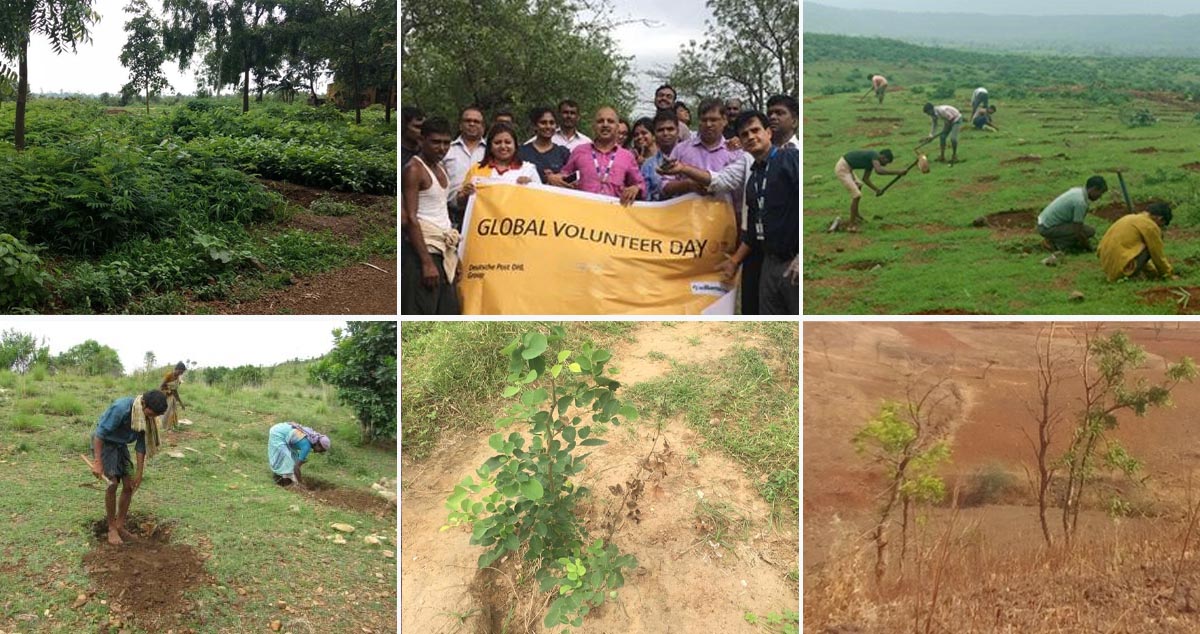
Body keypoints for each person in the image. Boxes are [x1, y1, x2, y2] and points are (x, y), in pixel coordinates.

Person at [660, 111, 799, 315]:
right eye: (745, 134)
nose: (751, 137)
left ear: (768, 133)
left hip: (792, 261)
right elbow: (752, 227)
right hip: (768, 262)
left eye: (756, 131)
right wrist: (734, 261)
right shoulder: (752, 178)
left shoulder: (790, 159)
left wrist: (800, 256)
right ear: (740, 142)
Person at [90, 390, 169, 545]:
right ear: (144, 404)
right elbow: (99, 434)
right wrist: (98, 462)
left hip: (120, 446)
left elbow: (140, 447)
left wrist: (139, 473)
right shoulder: (121, 408)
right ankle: (111, 528)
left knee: (129, 485)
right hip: (105, 444)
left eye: (155, 416)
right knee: (112, 484)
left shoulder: (145, 417)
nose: (152, 418)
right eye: (151, 414)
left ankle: (120, 525)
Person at [402, 117, 460, 314]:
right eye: (435, 142)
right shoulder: (414, 169)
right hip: (423, 250)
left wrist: (454, 254)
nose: (441, 148)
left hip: (444, 249)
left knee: (449, 310)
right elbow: (410, 217)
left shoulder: (441, 168)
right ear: (423, 139)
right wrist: (426, 262)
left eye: (446, 143)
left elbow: (441, 209)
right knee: (422, 310)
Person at [546, 106, 645, 206]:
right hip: (582, 213)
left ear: (617, 127)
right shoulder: (579, 151)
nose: (605, 124)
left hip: (615, 216)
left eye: (610, 121)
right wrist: (553, 178)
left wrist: (636, 188)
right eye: (600, 121)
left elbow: (640, 184)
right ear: (593, 126)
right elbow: (565, 176)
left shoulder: (627, 156)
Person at [663, 98, 742, 200]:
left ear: (724, 120)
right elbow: (664, 186)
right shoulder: (681, 149)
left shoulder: (735, 153)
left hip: (724, 214)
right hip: (686, 213)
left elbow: (740, 192)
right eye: (704, 120)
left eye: (713, 120)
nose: (708, 124)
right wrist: (687, 185)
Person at [456, 122, 541, 208]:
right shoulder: (477, 169)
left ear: (515, 145)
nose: (503, 146)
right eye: (497, 142)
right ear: (490, 146)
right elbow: (461, 204)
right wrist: (465, 194)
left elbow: (540, 201)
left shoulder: (528, 170)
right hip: (483, 220)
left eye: (508, 142)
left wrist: (531, 187)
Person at [1098, 202, 1174, 281]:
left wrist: (1151, 271)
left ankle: (1134, 272)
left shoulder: (1130, 218)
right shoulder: (1150, 225)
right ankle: (1131, 274)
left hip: (1110, 268)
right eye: (1161, 225)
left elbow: (1135, 251)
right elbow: (1157, 254)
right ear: (1160, 218)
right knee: (1151, 245)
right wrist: (1167, 273)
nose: (1159, 228)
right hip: (1123, 268)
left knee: (1144, 245)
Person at [836, 148, 907, 231]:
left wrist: (876, 190)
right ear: (883, 157)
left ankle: (856, 215)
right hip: (843, 168)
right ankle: (851, 225)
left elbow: (866, 179)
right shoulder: (874, 155)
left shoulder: (870, 162)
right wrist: (898, 172)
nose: (885, 165)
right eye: (886, 162)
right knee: (857, 195)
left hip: (848, 168)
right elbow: (879, 171)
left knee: (859, 185)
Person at [1037, 175, 1108, 252]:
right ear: (1093, 189)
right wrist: (1088, 247)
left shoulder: (1077, 191)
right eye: (1100, 193)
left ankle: (1055, 240)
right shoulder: (1081, 202)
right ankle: (1054, 244)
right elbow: (1077, 230)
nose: (1100, 197)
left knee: (1087, 231)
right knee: (1088, 232)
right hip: (1047, 228)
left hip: (1044, 223)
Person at [442, 105, 487, 228]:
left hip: (484, 216)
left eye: (476, 121)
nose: (472, 124)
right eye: (468, 121)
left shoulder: (492, 151)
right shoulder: (447, 150)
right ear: (460, 125)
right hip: (452, 215)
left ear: (483, 127)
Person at [267, 422, 330, 489]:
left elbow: (297, 463)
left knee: (293, 458)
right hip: (277, 433)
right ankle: (285, 484)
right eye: (321, 450)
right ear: (318, 444)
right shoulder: (306, 446)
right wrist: (300, 483)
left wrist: (299, 463)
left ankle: (282, 479)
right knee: (287, 460)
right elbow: (296, 467)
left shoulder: (310, 437)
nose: (319, 452)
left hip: (283, 429)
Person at [518, 106, 572, 183]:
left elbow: (572, 179)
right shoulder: (522, 152)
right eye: (543, 123)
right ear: (534, 126)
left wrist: (559, 178)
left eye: (552, 123)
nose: (548, 126)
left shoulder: (563, 153)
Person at [640, 110, 681, 202]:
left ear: (677, 131)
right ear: (654, 134)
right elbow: (645, 199)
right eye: (660, 130)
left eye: (670, 129)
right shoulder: (647, 165)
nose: (665, 133)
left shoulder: (689, 157)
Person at [159, 362, 187, 431]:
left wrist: (181, 403)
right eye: (181, 371)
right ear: (177, 369)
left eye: (183, 372)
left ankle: (170, 426)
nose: (182, 373)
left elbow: (175, 391)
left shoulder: (178, 378)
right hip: (164, 395)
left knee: (172, 411)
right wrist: (168, 391)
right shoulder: (169, 375)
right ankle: (162, 425)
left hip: (171, 396)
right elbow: (161, 386)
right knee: (165, 411)